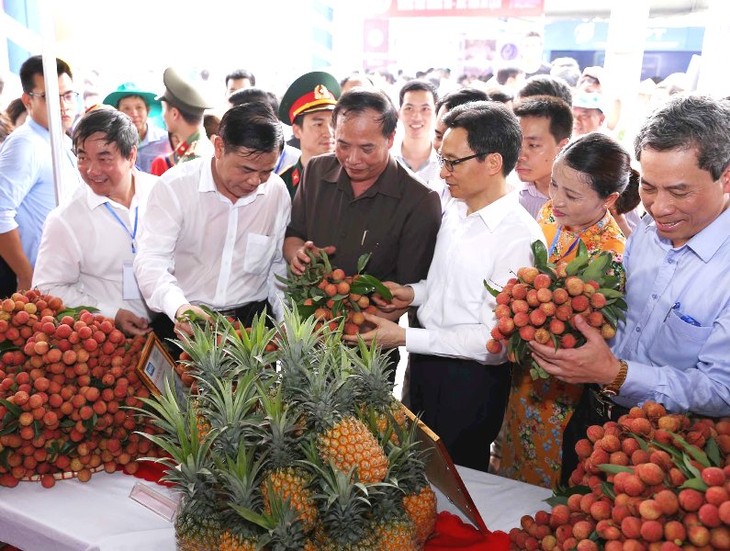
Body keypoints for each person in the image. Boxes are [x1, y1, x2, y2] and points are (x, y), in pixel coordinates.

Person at [530, 95, 730, 485]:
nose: (659, 207)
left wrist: (618, 373)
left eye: (679, 191)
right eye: (650, 188)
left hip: (671, 450)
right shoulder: (646, 237)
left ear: (726, 177)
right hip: (594, 421)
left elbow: (721, 390)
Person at [348, 101, 545, 472]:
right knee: (411, 472)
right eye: (442, 159)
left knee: (456, 482)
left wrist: (403, 339)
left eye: (453, 162)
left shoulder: (517, 238)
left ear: (492, 163)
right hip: (425, 365)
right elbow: (449, 286)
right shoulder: (456, 209)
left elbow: (492, 343)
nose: (443, 173)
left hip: (469, 383)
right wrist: (413, 293)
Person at [500, 133, 630, 488]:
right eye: (554, 185)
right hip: (522, 371)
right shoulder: (547, 213)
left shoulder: (611, 255)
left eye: (572, 195)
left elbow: (597, 335)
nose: (556, 200)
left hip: (564, 389)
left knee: (545, 480)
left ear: (610, 199)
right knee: (509, 462)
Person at [134, 102, 290, 339]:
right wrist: (178, 308)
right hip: (185, 322)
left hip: (252, 328)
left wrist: (286, 321)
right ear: (219, 146)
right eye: (246, 169)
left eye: (266, 171)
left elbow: (277, 266)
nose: (255, 181)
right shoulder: (176, 187)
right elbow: (151, 261)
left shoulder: (276, 192)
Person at [284, 88, 440, 284]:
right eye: (343, 145)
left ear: (390, 139)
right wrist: (299, 255)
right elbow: (294, 235)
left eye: (367, 148)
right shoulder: (316, 171)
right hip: (307, 311)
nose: (353, 159)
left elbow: (411, 286)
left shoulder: (419, 200)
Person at [32, 109, 156, 336]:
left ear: (131, 156)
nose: (91, 170)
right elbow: (48, 288)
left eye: (104, 158)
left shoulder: (160, 195)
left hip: (169, 327)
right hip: (106, 339)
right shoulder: (66, 219)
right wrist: (111, 314)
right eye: (82, 157)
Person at [0, 55, 81, 297]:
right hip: (39, 286)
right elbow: (1, 211)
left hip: (66, 281)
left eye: (68, 95)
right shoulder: (25, 144)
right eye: (50, 97)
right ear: (28, 100)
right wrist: (25, 274)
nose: (63, 105)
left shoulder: (63, 140)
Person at [277, 71, 339, 198]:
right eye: (318, 124)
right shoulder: (282, 184)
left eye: (333, 123)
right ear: (297, 130)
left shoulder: (352, 177)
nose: (329, 132)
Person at [513, 96, 573, 219]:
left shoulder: (589, 202)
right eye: (515, 144)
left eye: (533, 145)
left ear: (562, 146)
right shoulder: (510, 197)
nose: (520, 156)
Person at [150, 68, 213, 176]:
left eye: (164, 110)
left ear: (174, 114)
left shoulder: (194, 157)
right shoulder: (194, 148)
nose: (163, 115)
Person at [102, 82, 171, 173]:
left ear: (147, 110)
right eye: (126, 109)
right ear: (118, 113)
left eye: (139, 107)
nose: (134, 114)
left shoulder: (166, 141)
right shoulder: (111, 144)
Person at [392, 80, 439, 184]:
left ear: (436, 113)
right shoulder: (386, 158)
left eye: (425, 109)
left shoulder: (445, 163)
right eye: (409, 108)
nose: (416, 117)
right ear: (399, 113)